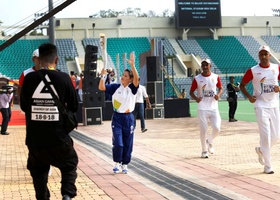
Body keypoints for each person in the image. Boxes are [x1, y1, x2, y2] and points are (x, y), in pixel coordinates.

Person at [20, 43, 79, 200]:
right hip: (59, 137)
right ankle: (67, 194)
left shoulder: (29, 79)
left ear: (38, 60)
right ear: (57, 59)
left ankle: (42, 196)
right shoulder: (65, 78)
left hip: (35, 138)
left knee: (38, 170)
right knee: (69, 164)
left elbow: (25, 107)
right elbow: (74, 106)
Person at [240, 45, 280, 174]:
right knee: (265, 136)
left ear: (269, 55)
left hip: (274, 104)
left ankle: (262, 150)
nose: (263, 56)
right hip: (261, 105)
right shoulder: (253, 70)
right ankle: (268, 165)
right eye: (261, 54)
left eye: (265, 54)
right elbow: (242, 85)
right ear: (259, 56)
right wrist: (249, 96)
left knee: (276, 136)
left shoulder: (276, 68)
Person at [98, 52, 139, 174]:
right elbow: (101, 87)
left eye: (126, 76)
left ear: (130, 79)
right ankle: (117, 162)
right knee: (119, 143)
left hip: (129, 118)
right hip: (117, 117)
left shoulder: (132, 88)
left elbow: (136, 79)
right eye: (122, 75)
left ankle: (125, 164)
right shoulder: (115, 87)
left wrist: (132, 65)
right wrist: (102, 76)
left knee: (128, 143)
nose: (123, 77)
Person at [189, 58, 223, 159]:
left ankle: (210, 141)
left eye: (206, 65)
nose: (204, 67)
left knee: (217, 128)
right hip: (202, 107)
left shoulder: (215, 77)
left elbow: (221, 88)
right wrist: (196, 98)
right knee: (203, 129)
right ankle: (204, 150)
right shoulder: (197, 78)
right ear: (201, 66)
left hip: (213, 107)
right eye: (203, 65)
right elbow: (191, 92)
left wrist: (219, 95)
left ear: (210, 66)